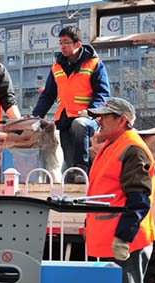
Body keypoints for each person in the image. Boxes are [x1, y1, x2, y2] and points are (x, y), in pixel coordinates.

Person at [85, 97, 155, 283]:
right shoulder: (114, 145)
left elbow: (139, 199)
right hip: (116, 240)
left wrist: (123, 237)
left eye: (105, 116)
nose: (99, 120)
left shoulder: (131, 148)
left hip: (127, 243)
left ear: (122, 120)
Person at [32, 25, 110, 184]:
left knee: (79, 125)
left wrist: (91, 111)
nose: (62, 46)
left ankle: (82, 168)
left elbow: (102, 93)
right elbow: (48, 95)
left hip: (87, 118)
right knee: (68, 157)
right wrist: (35, 116)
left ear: (77, 44)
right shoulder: (57, 67)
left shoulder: (94, 64)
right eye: (60, 43)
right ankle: (74, 174)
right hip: (65, 118)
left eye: (66, 42)